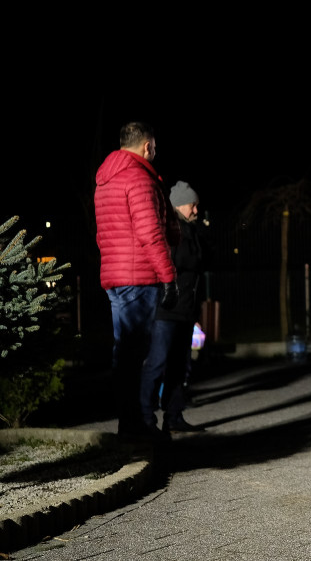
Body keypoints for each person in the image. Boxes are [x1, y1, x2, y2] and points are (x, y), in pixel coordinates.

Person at [94, 122, 179, 442]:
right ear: (146, 146)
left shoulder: (104, 180)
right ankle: (133, 426)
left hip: (115, 277)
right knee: (134, 355)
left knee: (125, 353)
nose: (155, 152)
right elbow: (150, 234)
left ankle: (129, 423)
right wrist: (169, 277)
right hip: (139, 277)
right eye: (154, 147)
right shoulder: (139, 179)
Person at [141, 180, 207, 435]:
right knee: (157, 363)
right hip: (167, 309)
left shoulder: (189, 230)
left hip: (184, 309)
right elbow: (182, 261)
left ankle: (173, 417)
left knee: (180, 365)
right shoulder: (170, 229)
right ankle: (146, 418)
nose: (196, 211)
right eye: (193, 206)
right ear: (180, 204)